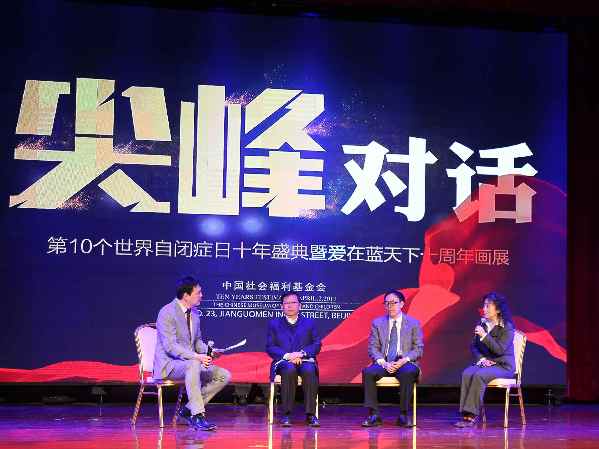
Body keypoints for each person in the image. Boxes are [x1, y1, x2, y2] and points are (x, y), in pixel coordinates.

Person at [153, 276, 231, 431]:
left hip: (189, 364)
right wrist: (196, 357)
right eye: (198, 293)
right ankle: (198, 415)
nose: (202, 295)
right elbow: (170, 346)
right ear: (186, 295)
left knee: (223, 375)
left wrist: (210, 351)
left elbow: (197, 342)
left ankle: (187, 410)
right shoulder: (166, 312)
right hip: (168, 365)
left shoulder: (194, 313)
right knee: (194, 364)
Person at [361, 289, 424, 427]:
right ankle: (374, 415)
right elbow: (373, 348)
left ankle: (403, 415)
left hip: (405, 362)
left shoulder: (413, 323)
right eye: (387, 303)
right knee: (368, 373)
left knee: (408, 372)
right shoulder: (377, 323)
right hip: (385, 362)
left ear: (402, 304)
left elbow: (418, 349)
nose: (390, 306)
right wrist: (383, 363)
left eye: (394, 303)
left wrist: (404, 360)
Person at [454, 292, 516, 427]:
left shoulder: (507, 327)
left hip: (503, 366)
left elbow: (499, 350)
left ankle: (471, 416)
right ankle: (465, 414)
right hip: (486, 363)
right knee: (467, 373)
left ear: (498, 310)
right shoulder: (482, 324)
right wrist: (482, 359)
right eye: (484, 306)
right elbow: (474, 346)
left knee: (479, 375)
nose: (484, 309)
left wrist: (484, 336)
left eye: (488, 306)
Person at [266, 292, 322, 427]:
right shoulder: (274, 324)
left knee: (309, 370)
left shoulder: (309, 322)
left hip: (305, 359)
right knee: (289, 369)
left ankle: (310, 414)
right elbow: (270, 347)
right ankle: (286, 414)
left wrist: (301, 354)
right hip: (283, 361)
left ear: (300, 305)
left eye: (293, 302)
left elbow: (316, 344)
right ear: (282, 307)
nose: (289, 306)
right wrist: (288, 356)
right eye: (286, 303)